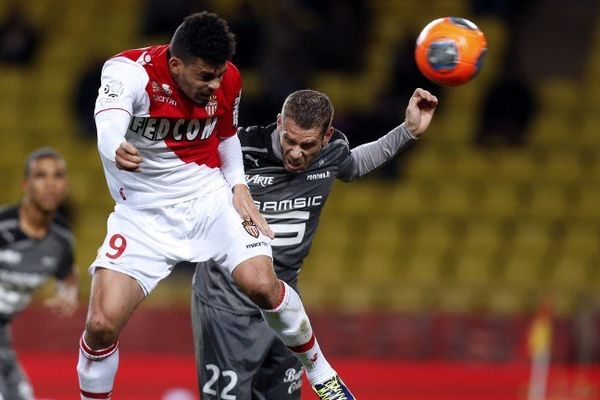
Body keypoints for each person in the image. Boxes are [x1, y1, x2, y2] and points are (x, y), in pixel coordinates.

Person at [76, 11, 356, 400]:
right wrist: (113, 146)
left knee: (262, 284)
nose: (215, 85)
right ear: (175, 65)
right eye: (205, 76)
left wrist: (238, 186)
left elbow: (226, 138)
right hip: (143, 216)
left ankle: (321, 373)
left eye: (220, 74)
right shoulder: (128, 73)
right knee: (101, 324)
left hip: (209, 199)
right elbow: (108, 118)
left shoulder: (229, 80)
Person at [192, 87, 438, 399]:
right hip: (226, 301)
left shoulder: (333, 151)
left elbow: (353, 166)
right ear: (280, 122)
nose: (295, 152)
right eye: (289, 140)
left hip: (284, 302)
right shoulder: (240, 151)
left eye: (307, 145)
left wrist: (408, 131)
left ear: (326, 136)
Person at [0, 148, 78, 399]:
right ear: (26, 184)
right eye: (41, 176)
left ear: (66, 184)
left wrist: (67, 293)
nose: (50, 184)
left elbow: (68, 273)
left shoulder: (61, 241)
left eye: (58, 176)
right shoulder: (3, 228)